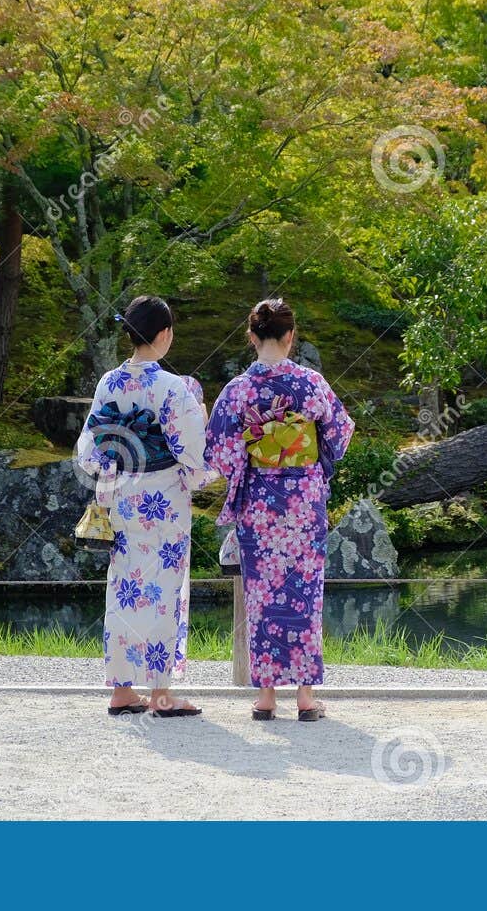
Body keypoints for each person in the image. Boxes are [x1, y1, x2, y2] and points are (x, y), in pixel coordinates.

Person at [206, 298, 354, 721]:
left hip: (259, 502)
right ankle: (306, 698)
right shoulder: (311, 384)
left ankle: (267, 698)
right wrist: (307, 452)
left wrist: (256, 451)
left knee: (263, 596)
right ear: (291, 336)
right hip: (304, 502)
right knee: (304, 594)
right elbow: (340, 435)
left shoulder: (238, 391)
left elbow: (219, 451)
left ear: (252, 338)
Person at [75, 296, 208, 718]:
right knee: (163, 590)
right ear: (164, 334)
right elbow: (193, 453)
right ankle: (162, 694)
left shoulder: (108, 383)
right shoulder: (173, 387)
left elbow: (89, 449)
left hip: (123, 496)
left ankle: (121, 689)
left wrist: (111, 467)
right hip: (165, 499)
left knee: (124, 589)